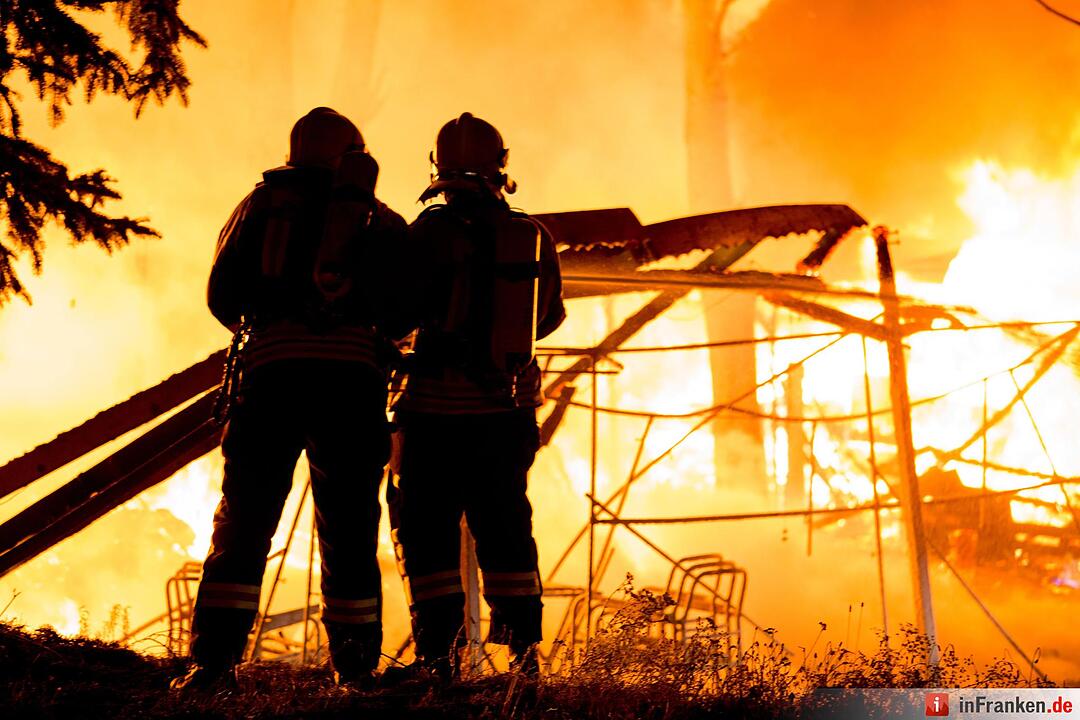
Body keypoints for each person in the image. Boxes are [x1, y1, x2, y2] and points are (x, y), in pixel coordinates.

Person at [173, 107, 405, 690]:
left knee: (245, 518)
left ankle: (214, 663)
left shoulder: (261, 205)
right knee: (350, 525)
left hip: (272, 377)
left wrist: (276, 324)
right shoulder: (380, 219)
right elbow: (408, 309)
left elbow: (222, 294)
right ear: (355, 156)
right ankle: (353, 669)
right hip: (352, 386)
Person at [389, 112, 565, 679]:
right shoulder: (531, 234)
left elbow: (395, 314)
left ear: (435, 164)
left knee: (427, 534)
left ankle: (437, 658)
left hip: (431, 413)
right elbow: (549, 317)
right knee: (506, 528)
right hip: (504, 413)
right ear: (502, 163)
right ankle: (522, 657)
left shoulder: (424, 233)